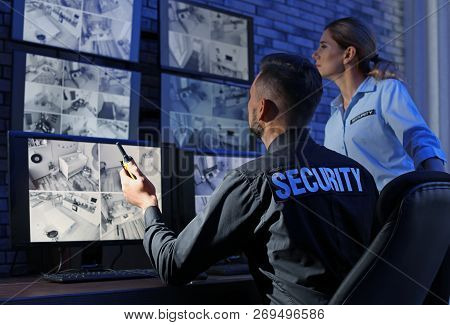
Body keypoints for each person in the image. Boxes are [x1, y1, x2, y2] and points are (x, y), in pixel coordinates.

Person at [120, 53, 380, 305]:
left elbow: (173, 266)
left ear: (263, 109)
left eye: (250, 99)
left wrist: (147, 205)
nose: (247, 106)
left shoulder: (252, 181)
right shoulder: (360, 176)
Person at [312, 17, 447, 191]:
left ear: (348, 54)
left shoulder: (386, 90)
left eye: (323, 46)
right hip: (356, 216)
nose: (315, 54)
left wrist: (441, 192)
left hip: (397, 210)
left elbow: (419, 139)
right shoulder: (332, 122)